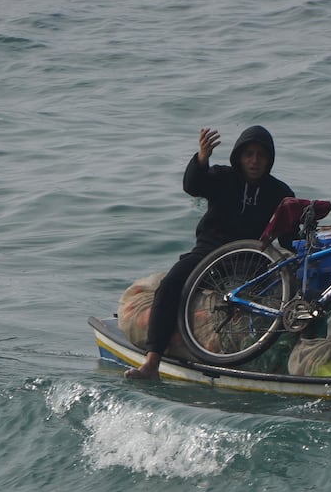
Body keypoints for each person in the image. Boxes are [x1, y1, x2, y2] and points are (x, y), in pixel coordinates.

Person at [124, 126, 294, 380]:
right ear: (238, 156)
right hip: (209, 251)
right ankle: (152, 362)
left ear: (269, 159)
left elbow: (289, 238)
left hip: (251, 260)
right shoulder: (223, 177)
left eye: (261, 155)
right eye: (248, 154)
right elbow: (193, 186)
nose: (254, 160)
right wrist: (202, 157)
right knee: (170, 285)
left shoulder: (280, 193)